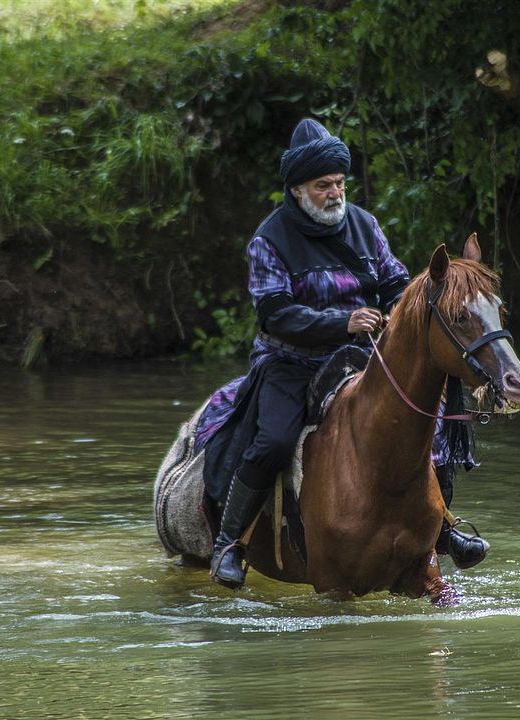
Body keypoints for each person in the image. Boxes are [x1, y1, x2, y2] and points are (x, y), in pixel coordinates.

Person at [193, 119, 488, 589]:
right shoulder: (269, 239)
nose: (335, 193)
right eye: (323, 185)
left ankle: (441, 529)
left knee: (424, 428)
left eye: (339, 183)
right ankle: (231, 544)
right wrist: (340, 322)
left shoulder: (365, 226)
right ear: (296, 190)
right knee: (272, 439)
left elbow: (395, 285)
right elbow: (274, 313)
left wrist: (400, 317)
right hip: (291, 361)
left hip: (362, 358)